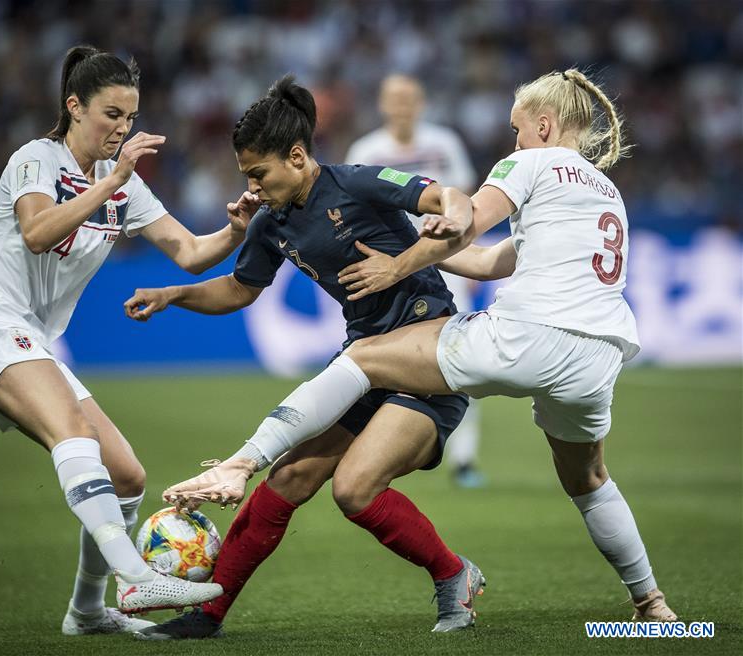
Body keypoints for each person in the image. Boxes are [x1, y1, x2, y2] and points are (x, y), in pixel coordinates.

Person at [165, 69, 677, 623]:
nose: (514, 141)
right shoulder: (605, 193)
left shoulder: (528, 162)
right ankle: (652, 602)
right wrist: (415, 244)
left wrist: (398, 264)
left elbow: (463, 225)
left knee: (359, 359)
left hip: (518, 337)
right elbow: (486, 259)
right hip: (599, 356)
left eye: (517, 129)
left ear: (545, 125)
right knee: (587, 480)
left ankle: (239, 464)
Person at [125, 75, 484, 640]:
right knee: (289, 476)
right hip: (364, 361)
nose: (251, 186)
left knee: (353, 489)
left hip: (427, 357)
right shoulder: (271, 222)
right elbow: (240, 290)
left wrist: (447, 225)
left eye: (258, 173)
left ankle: (453, 573)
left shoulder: (358, 183)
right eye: (246, 174)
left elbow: (446, 197)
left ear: (296, 157)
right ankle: (208, 614)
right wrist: (174, 296)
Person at [0, 45, 253, 636]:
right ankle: (135, 577)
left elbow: (190, 253)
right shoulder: (37, 159)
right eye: (111, 114)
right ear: (74, 107)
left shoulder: (121, 184)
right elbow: (35, 232)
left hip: (29, 338)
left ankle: (85, 611)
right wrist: (115, 183)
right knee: (73, 434)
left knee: (127, 475)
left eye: (129, 118)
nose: (121, 129)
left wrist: (234, 228)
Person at [345, 73, 486, 488]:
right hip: (391, 265)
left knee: (465, 359)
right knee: (382, 359)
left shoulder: (444, 143)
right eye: (394, 99)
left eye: (409, 98)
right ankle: (379, 447)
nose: (402, 106)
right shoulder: (367, 150)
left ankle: (464, 459)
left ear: (420, 102)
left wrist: (473, 257)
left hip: (446, 261)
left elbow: (469, 204)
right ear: (383, 105)